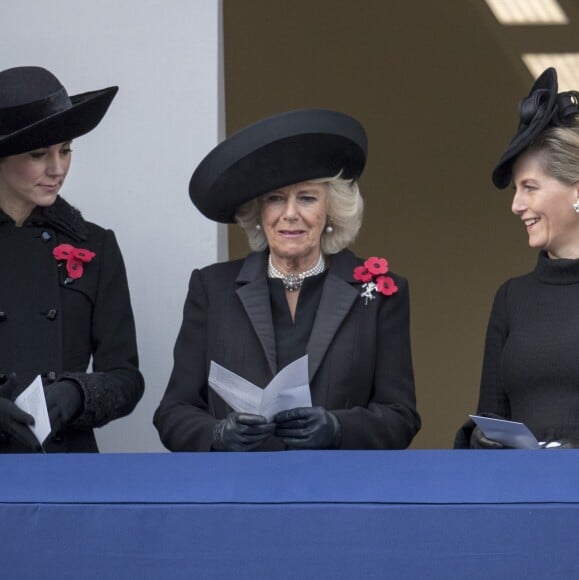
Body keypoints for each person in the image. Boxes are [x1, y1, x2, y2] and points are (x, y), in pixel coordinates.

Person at [154, 108, 420, 451]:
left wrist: (339, 428)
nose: (289, 214)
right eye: (275, 199)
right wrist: (218, 434)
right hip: (240, 494)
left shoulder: (379, 293)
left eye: (306, 198)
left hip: (337, 494)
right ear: (259, 212)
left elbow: (400, 416)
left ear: (330, 211)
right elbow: (174, 412)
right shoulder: (212, 289)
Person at [0, 66, 144, 452]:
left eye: (65, 150)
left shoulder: (96, 245)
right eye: (38, 153)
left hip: (65, 465)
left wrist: (77, 393)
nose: (57, 168)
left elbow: (126, 378)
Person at [455, 67, 579, 449]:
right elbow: (490, 415)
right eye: (515, 190)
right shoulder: (512, 298)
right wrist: (481, 439)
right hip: (526, 501)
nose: (516, 205)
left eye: (530, 187)